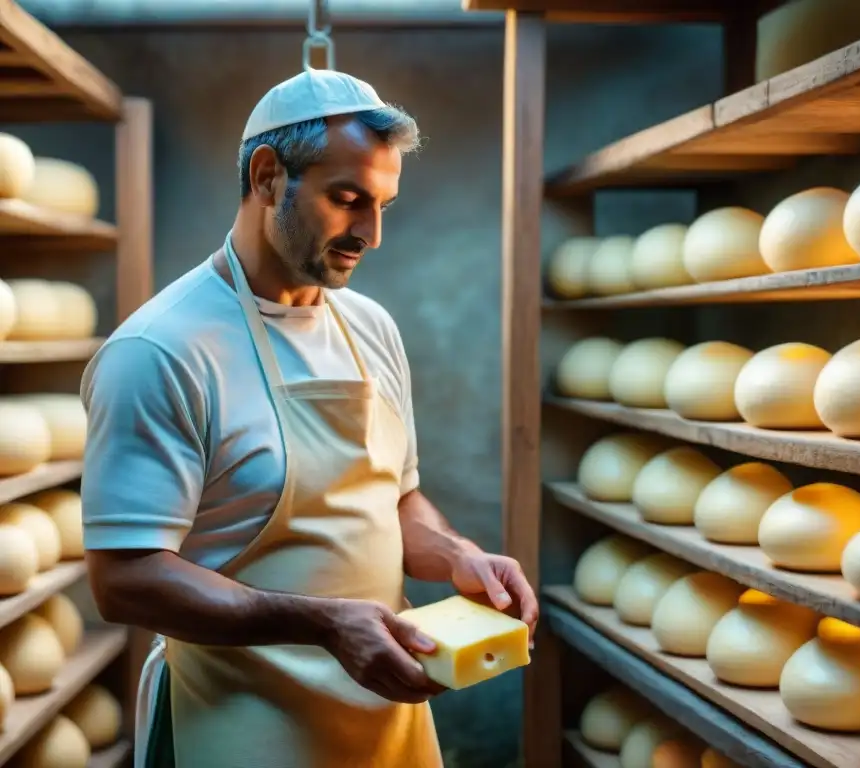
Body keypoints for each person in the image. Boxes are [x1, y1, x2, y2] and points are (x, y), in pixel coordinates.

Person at [79, 69, 539, 768]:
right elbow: (124, 579)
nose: (371, 234)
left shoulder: (372, 327)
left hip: (386, 723)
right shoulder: (161, 350)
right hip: (240, 725)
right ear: (267, 177)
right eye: (348, 199)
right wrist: (322, 624)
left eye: (383, 204)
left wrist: (458, 557)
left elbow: (394, 498)